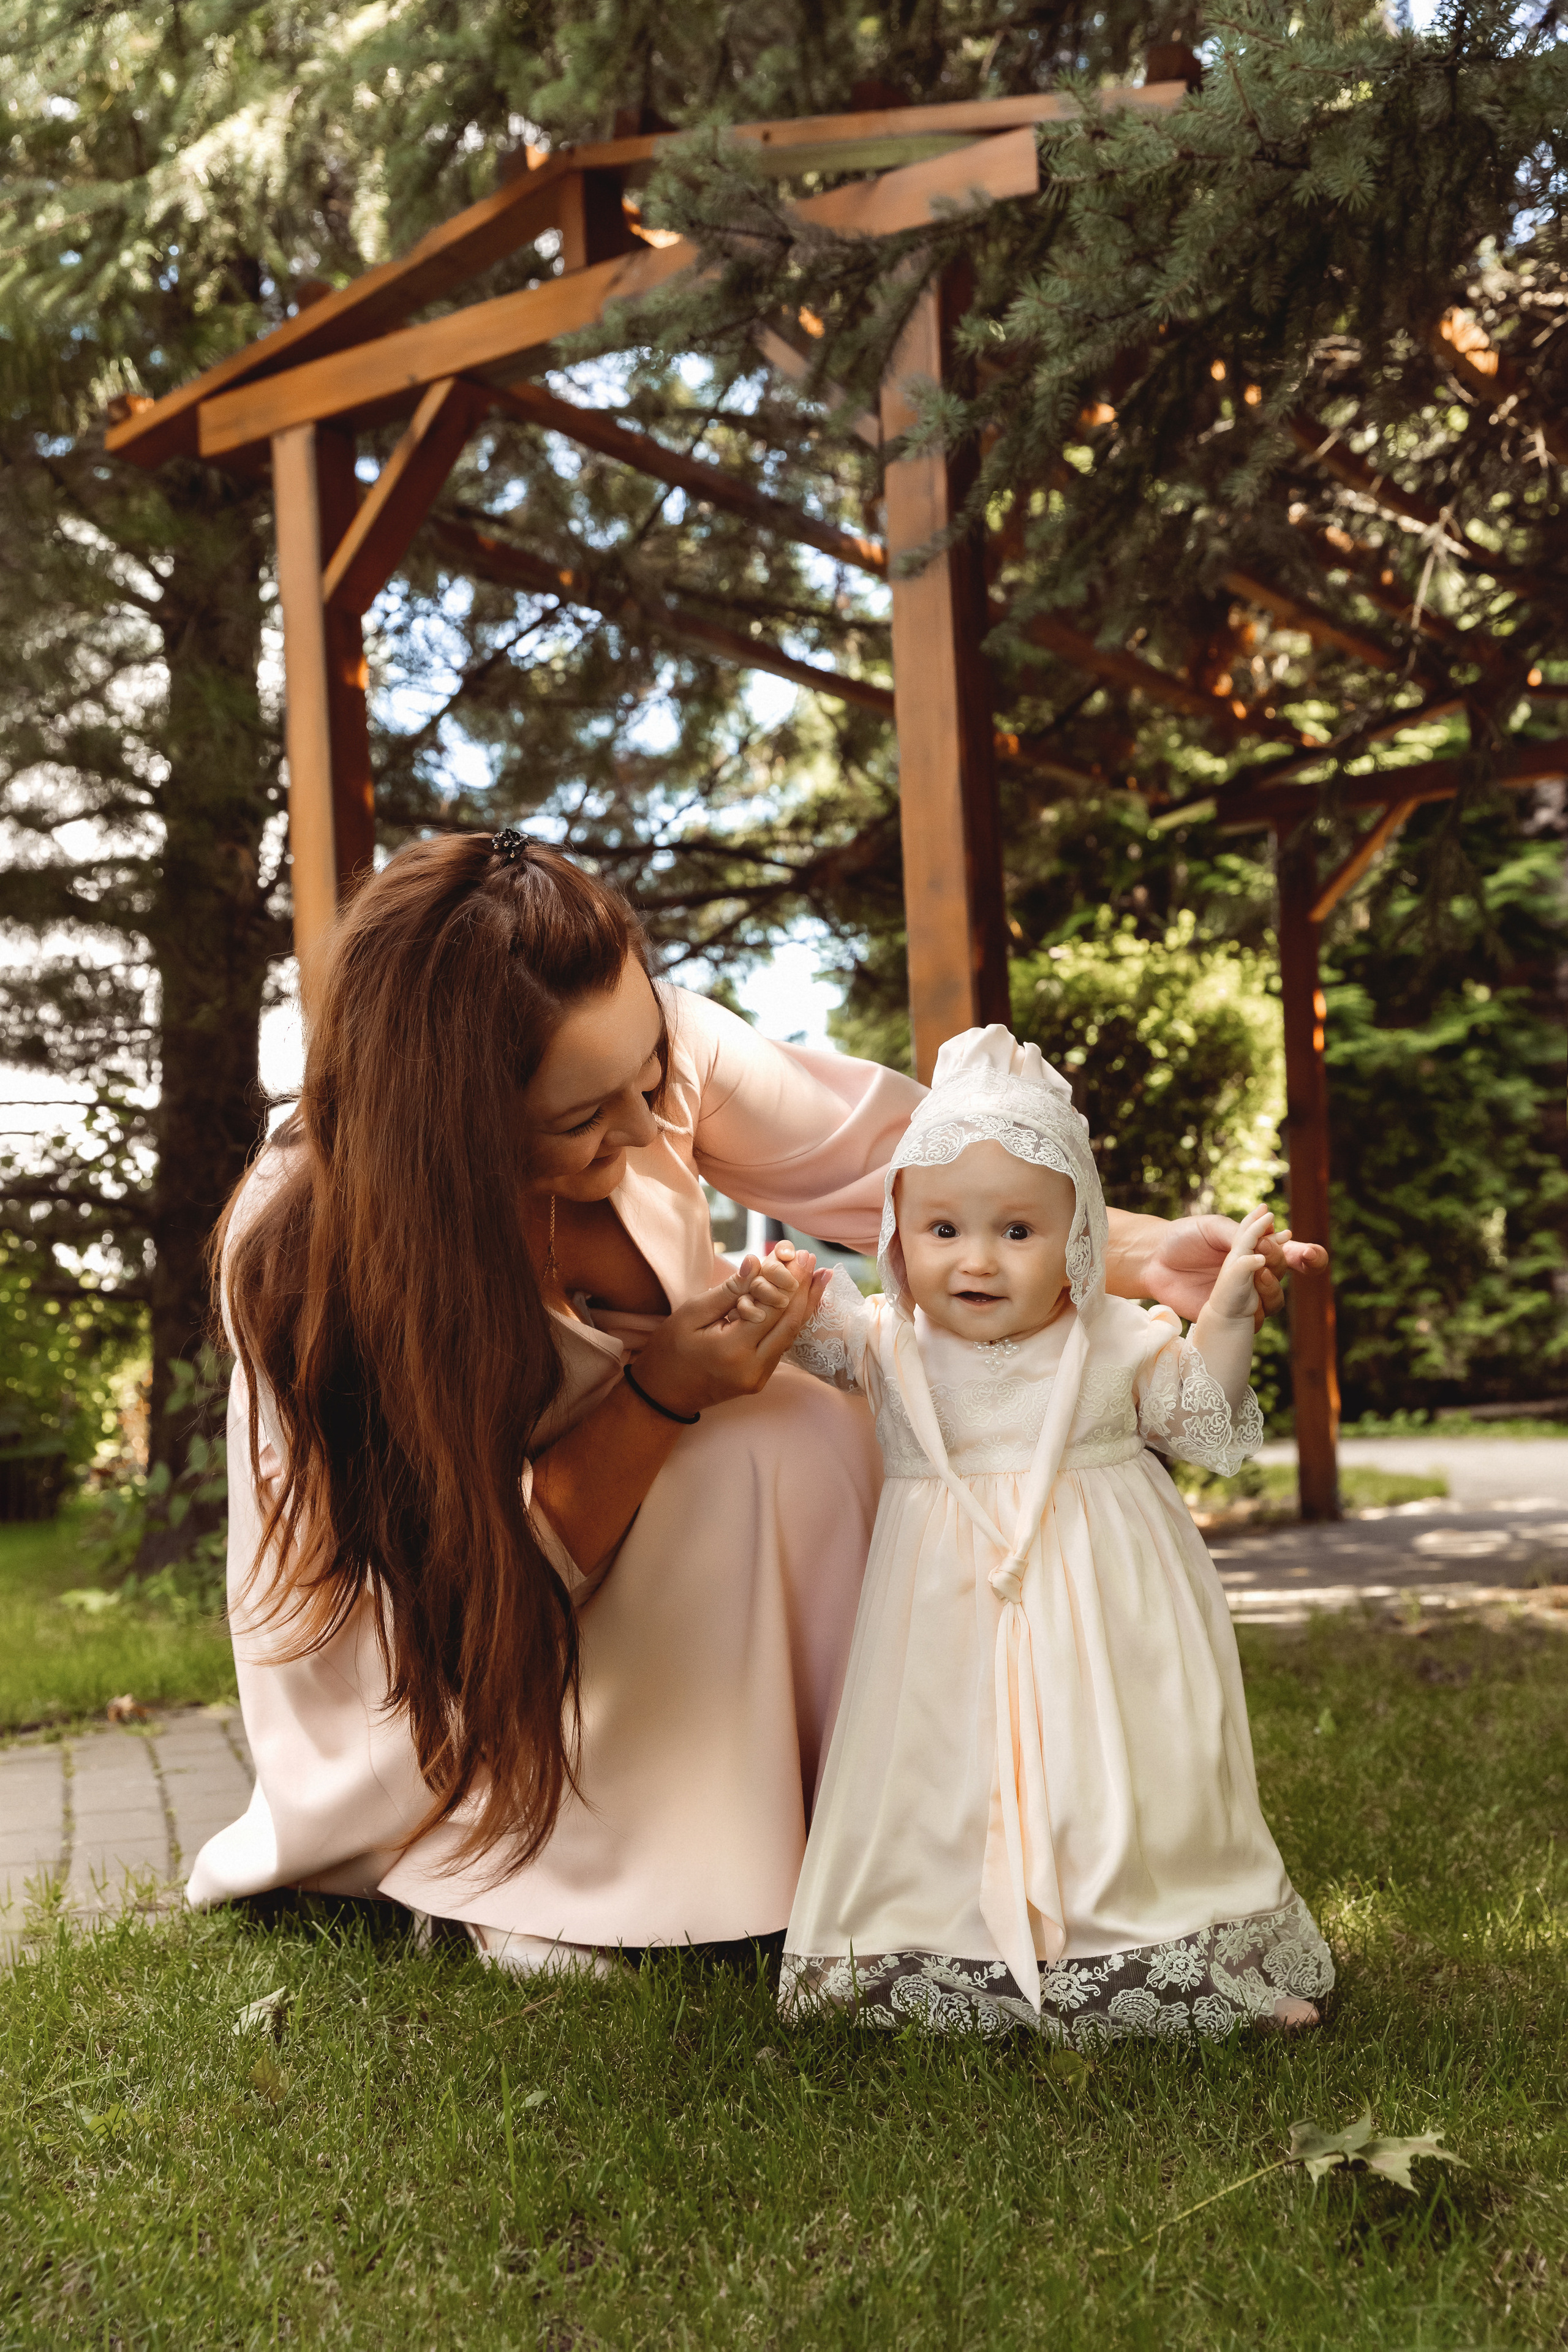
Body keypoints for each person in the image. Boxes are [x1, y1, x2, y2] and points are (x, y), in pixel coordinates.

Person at [189, 832, 1326, 1973]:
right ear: (449, 1127)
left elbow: (906, 1159)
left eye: (648, 1080)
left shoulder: (651, 1052)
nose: (642, 1130)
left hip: (647, 1518)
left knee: (812, 1423)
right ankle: (549, 1876)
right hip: (449, 1640)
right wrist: (659, 1392)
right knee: (745, 1450)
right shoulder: (307, 1249)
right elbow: (475, 1573)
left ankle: (873, 1830)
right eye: (585, 1120)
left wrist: (1137, 1251)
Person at [775, 1025, 1334, 2038]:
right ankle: (937, 1951)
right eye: (942, 1230)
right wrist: (778, 1286)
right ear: (900, 1236)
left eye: (1018, 1233)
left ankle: (1194, 1959)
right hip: (939, 1620)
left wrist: (1229, 1314)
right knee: (942, 1772)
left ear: (1078, 1243)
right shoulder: (888, 1344)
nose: (976, 1259)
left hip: (1104, 1606)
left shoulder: (1115, 1338)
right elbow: (798, 1330)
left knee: (1121, 1774)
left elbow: (1203, 1419)